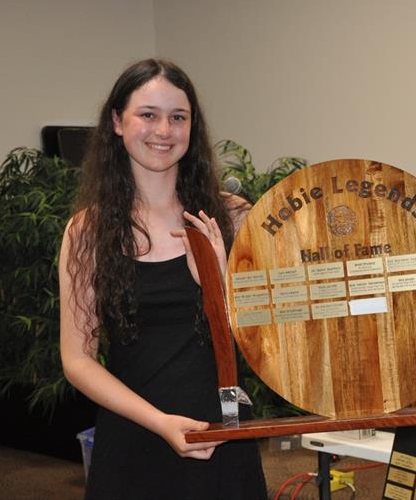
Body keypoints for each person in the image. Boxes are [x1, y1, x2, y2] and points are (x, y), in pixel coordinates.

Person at [59, 59, 267, 499]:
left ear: (193, 126)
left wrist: (219, 285)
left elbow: (268, 340)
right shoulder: (87, 231)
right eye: (148, 115)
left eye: (178, 117)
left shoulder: (232, 216)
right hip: (134, 434)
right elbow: (77, 359)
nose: (164, 131)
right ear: (117, 121)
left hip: (222, 430)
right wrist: (160, 423)